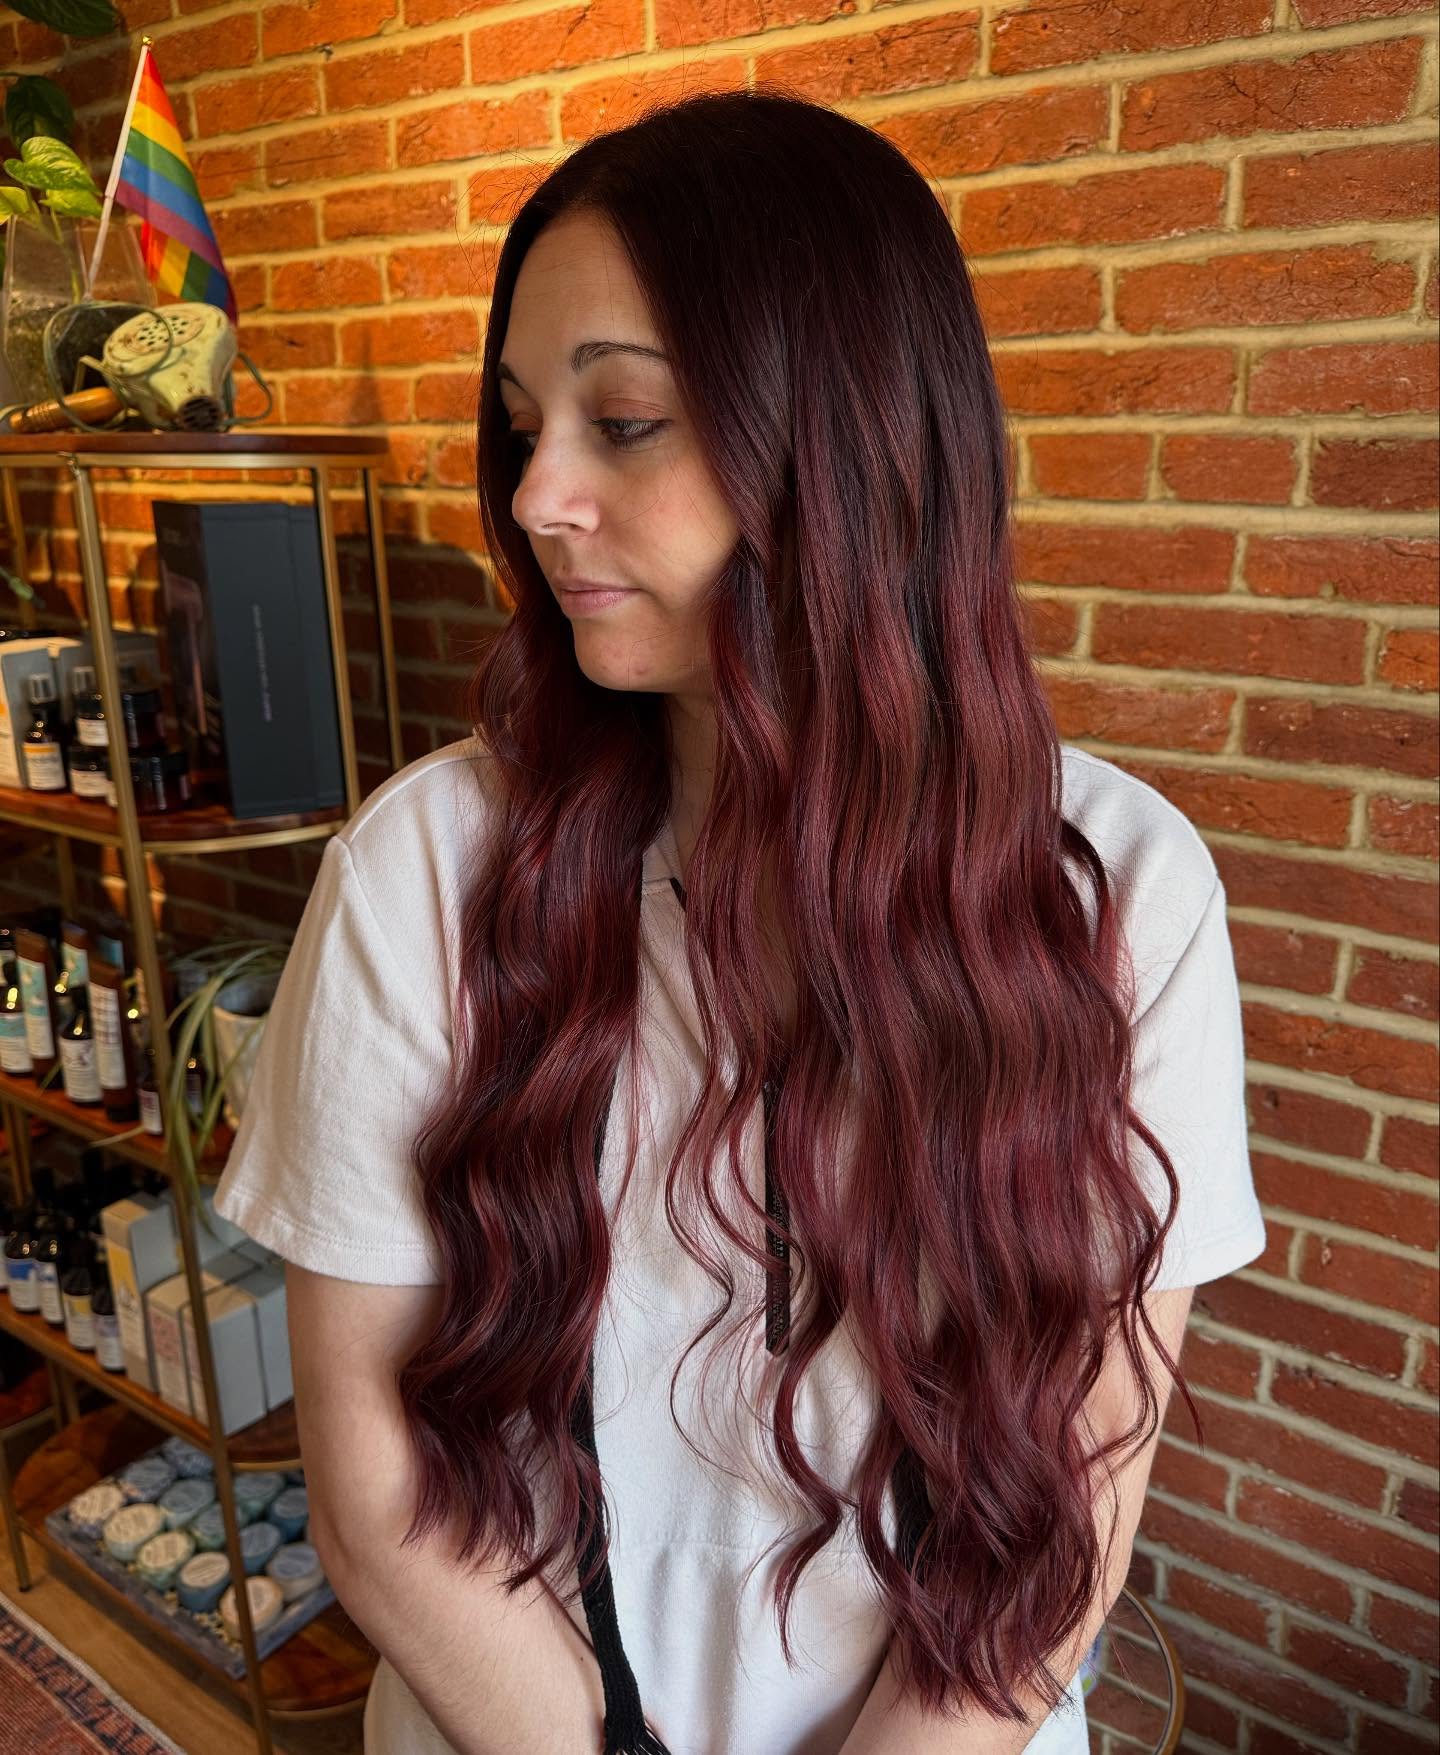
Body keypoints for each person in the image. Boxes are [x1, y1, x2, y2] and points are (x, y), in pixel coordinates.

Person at [214, 87, 1267, 1755]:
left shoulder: (1123, 893)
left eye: (623, 421)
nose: (539, 494)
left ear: (843, 442)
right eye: (521, 422)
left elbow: (1085, 1481)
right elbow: (371, 1475)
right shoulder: (426, 872)